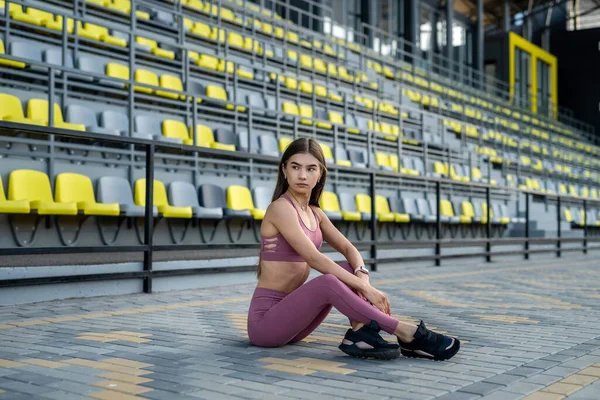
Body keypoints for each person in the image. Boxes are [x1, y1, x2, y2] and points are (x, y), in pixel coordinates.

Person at [247, 138, 460, 360]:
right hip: (265, 325)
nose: (302, 175)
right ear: (284, 170)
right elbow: (313, 258)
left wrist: (362, 276)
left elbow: (349, 248)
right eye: (295, 167)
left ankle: (360, 333)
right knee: (328, 282)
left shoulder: (315, 213)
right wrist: (365, 289)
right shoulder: (280, 208)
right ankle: (408, 332)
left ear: (320, 174)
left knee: (349, 268)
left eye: (311, 169)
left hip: (293, 321)